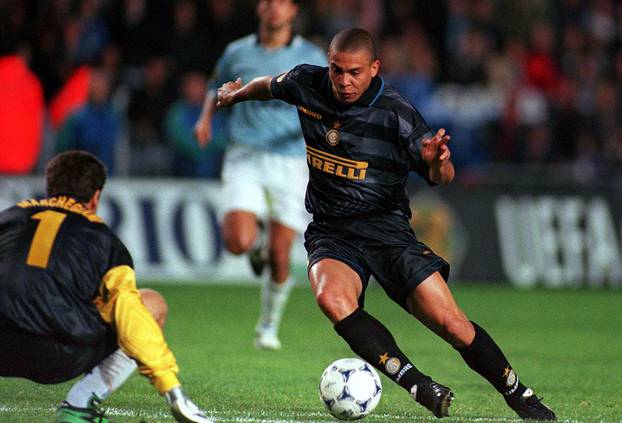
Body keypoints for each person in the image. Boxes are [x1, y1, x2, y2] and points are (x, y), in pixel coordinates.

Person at [215, 28, 556, 420]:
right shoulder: (306, 82)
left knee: (453, 325)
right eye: (337, 70)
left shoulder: (397, 113)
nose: (344, 81)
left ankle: (519, 394)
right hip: (332, 230)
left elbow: (444, 175)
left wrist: (435, 161)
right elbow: (269, 86)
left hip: (387, 231)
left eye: (355, 73)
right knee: (331, 299)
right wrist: (238, 93)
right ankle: (418, 384)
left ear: (374, 68)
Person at [0, 151, 212, 423]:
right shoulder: (104, 240)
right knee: (149, 304)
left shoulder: (7, 219)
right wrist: (173, 390)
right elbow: (131, 316)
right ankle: (79, 406)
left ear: (49, 187)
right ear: (96, 196)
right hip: (59, 355)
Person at [194, 0, 326, 350]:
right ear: (259, 9)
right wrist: (205, 118)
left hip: (291, 161)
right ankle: (254, 245)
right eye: (267, 2)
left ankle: (267, 327)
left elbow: (329, 103)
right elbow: (214, 86)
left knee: (281, 253)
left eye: (280, 3)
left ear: (294, 10)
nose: (273, 9)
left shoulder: (311, 55)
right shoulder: (237, 51)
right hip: (245, 155)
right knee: (237, 242)